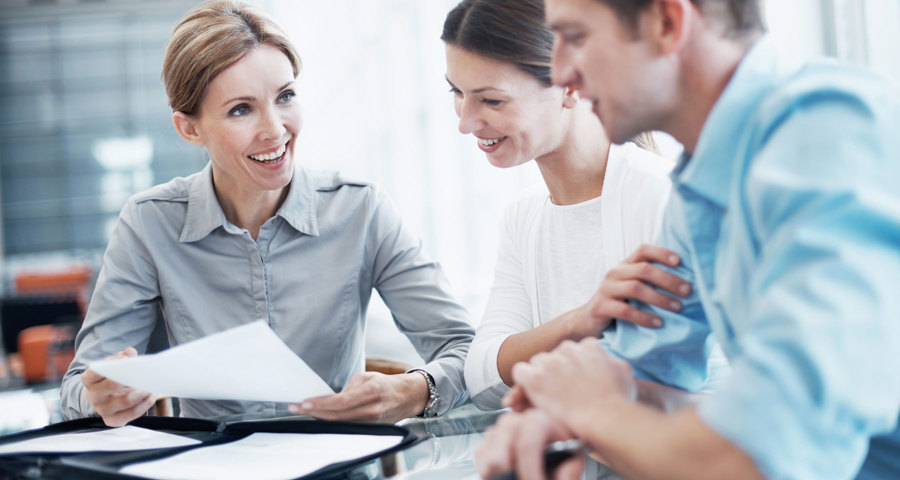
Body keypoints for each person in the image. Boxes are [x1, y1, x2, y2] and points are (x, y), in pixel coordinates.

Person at [476, 0, 900, 479]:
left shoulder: (826, 131)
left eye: (575, 37)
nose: (561, 74)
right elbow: (642, 374)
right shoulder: (697, 190)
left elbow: (765, 457)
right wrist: (560, 410)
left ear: (666, 22)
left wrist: (596, 414)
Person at [60, 0, 474, 427]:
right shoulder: (150, 223)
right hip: (212, 468)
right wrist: (104, 396)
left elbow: (465, 350)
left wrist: (415, 388)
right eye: (241, 109)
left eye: (285, 96)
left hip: (338, 467)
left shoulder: (362, 210)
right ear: (190, 128)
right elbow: (79, 385)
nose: (275, 129)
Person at [443, 0, 722, 411]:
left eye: (492, 101)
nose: (465, 122)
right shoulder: (524, 217)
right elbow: (484, 378)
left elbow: (708, 387)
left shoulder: (661, 199)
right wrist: (582, 320)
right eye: (457, 92)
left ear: (571, 86)